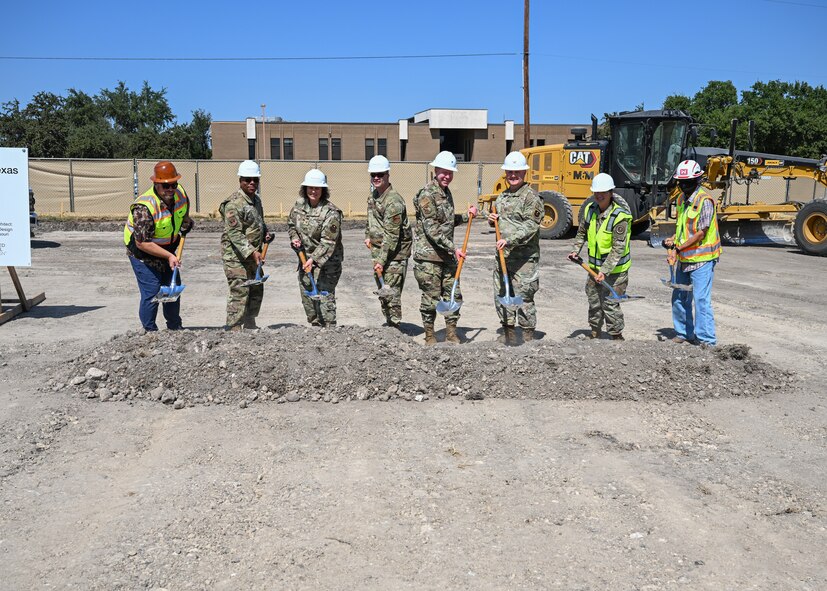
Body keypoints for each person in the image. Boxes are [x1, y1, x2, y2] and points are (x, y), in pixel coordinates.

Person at [413, 151, 477, 344]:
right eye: (443, 172)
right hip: (429, 258)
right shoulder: (427, 194)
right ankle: (430, 335)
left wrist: (466, 216)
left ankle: (451, 333)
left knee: (453, 294)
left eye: (450, 172)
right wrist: (454, 248)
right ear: (435, 170)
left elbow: (446, 222)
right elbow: (432, 229)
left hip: (447, 256)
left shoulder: (446, 193)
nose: (447, 176)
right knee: (430, 298)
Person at [123, 161, 194, 331]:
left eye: (173, 184)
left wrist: (187, 223)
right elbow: (142, 242)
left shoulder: (180, 194)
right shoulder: (144, 207)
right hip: (142, 253)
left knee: (172, 289)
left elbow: (184, 215)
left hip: (168, 249)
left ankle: (175, 329)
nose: (170, 189)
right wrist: (169, 256)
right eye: (165, 186)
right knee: (152, 291)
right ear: (156, 184)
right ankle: (150, 332)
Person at [487, 151, 543, 345]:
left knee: (524, 297)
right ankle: (509, 332)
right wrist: (492, 220)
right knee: (503, 294)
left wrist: (509, 240)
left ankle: (527, 336)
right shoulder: (502, 197)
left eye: (517, 172)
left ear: (524, 173)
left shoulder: (531, 197)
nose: (513, 175)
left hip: (524, 258)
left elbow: (531, 226)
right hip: (503, 256)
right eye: (509, 172)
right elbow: (499, 223)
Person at [568, 172, 632, 340]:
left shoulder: (620, 217)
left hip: (615, 271)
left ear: (611, 192)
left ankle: (617, 337)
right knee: (594, 301)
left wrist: (605, 270)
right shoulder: (590, 210)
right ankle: (595, 333)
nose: (599, 195)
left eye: (603, 192)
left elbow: (618, 248)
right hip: (593, 268)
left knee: (610, 304)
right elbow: (582, 232)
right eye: (596, 192)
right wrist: (576, 250)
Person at [663, 159, 721, 347]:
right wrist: (673, 241)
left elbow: (700, 233)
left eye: (688, 182)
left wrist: (679, 248)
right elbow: (683, 228)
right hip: (684, 257)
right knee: (679, 295)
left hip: (702, 259)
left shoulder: (704, 201)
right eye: (681, 182)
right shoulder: (681, 199)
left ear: (697, 181)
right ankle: (683, 333)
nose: (684, 186)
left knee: (701, 299)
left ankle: (707, 340)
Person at [219, 160, 273, 331]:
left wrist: (265, 232)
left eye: (255, 180)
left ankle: (249, 323)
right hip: (236, 257)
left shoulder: (256, 200)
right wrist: (251, 252)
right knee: (240, 291)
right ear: (240, 180)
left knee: (256, 289)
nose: (252, 183)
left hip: (253, 256)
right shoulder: (233, 203)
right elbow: (234, 233)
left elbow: (257, 222)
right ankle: (234, 327)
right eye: (247, 180)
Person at [288, 169, 344, 327]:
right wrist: (294, 238)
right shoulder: (298, 207)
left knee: (325, 302)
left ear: (323, 190)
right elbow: (291, 225)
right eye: (310, 187)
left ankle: (329, 331)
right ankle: (315, 332)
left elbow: (328, 242)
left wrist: (313, 259)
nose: (313, 191)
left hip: (327, 264)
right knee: (309, 303)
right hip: (305, 260)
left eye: (317, 188)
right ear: (305, 189)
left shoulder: (331, 212)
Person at [364, 155, 412, 329]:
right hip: (380, 254)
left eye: (380, 174)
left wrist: (381, 261)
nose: (376, 178)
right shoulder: (374, 197)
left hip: (394, 256)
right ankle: (390, 325)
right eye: (373, 174)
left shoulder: (393, 201)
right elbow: (370, 220)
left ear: (387, 175)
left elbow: (392, 237)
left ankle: (395, 327)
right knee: (383, 294)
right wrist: (367, 236)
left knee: (391, 294)